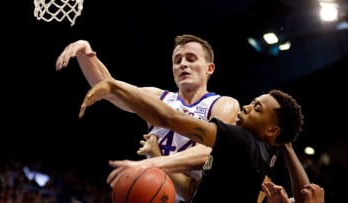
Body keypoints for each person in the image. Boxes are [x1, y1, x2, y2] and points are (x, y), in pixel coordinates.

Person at [56, 34, 240, 202]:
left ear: (210, 68)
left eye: (191, 59)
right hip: (156, 193)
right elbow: (110, 88)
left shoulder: (223, 104)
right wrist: (86, 53)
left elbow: (207, 152)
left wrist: (153, 159)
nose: (183, 64)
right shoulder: (158, 98)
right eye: (177, 61)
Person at [78, 76, 307, 203]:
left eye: (257, 108)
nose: (247, 106)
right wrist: (156, 155)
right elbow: (193, 190)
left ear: (271, 130)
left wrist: (115, 86)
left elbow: (169, 117)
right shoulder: (261, 161)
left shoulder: (242, 143)